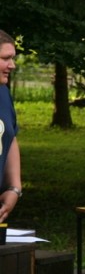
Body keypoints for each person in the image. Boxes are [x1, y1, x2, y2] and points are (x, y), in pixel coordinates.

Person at [0, 30, 23, 223]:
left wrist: (14, 188)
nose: (12, 65)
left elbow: (9, 136)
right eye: (6, 58)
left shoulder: (3, 94)